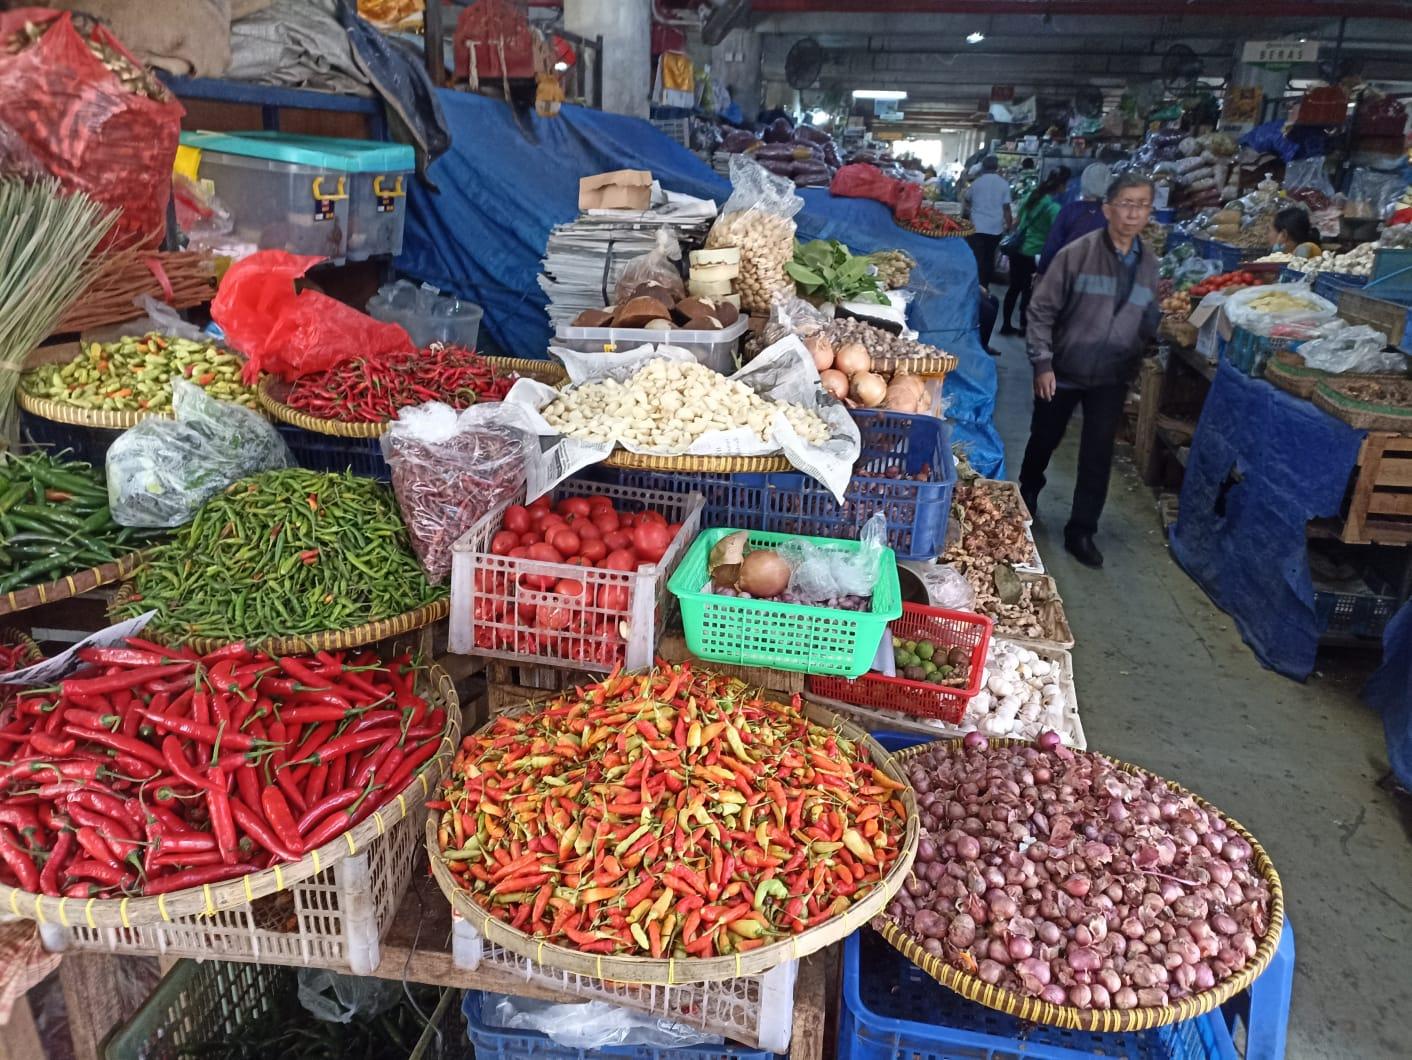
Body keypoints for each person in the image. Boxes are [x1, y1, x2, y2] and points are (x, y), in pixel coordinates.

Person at [1019, 172, 1160, 569]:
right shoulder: (1077, 254)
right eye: (1127, 203)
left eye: (1142, 205)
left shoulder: (1149, 263)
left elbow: (1149, 316)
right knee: (1044, 438)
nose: (1133, 213)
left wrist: (1136, 362)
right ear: (1108, 209)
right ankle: (1026, 497)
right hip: (1063, 368)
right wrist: (1042, 363)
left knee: (1098, 455)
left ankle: (1081, 531)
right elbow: (1041, 309)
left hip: (1112, 375)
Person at [1001, 167, 1070, 335]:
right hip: (1035, 253)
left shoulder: (1032, 196)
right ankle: (1024, 327)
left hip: (1018, 249)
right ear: (1060, 186)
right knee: (1029, 291)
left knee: (1014, 288)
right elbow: (1057, 233)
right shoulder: (1054, 208)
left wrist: (1012, 232)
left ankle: (1006, 325)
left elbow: (1017, 221)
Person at [1037, 163, 1111, 274]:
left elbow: (1052, 245)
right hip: (1097, 277)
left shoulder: (1069, 210)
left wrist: (1042, 271)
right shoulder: (1112, 215)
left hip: (1066, 273)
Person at [963, 156, 1012, 292]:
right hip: (995, 228)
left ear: (983, 167)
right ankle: (984, 287)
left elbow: (967, 200)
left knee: (976, 258)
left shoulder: (976, 183)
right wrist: (1009, 225)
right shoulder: (1003, 184)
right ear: (996, 167)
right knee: (989, 259)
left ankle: (973, 286)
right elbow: (1006, 208)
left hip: (977, 227)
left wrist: (971, 209)